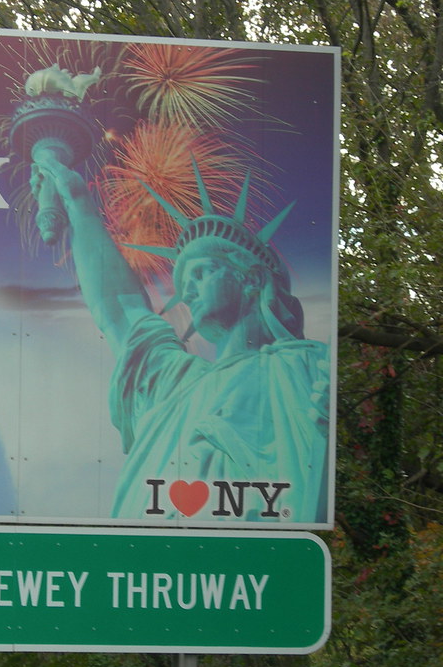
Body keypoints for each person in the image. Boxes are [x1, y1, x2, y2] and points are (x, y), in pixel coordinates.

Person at [31, 151, 330, 522]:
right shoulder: (174, 383)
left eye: (202, 273)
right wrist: (77, 202)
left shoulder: (303, 367)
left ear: (251, 278)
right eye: (185, 282)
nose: (188, 292)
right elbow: (121, 309)